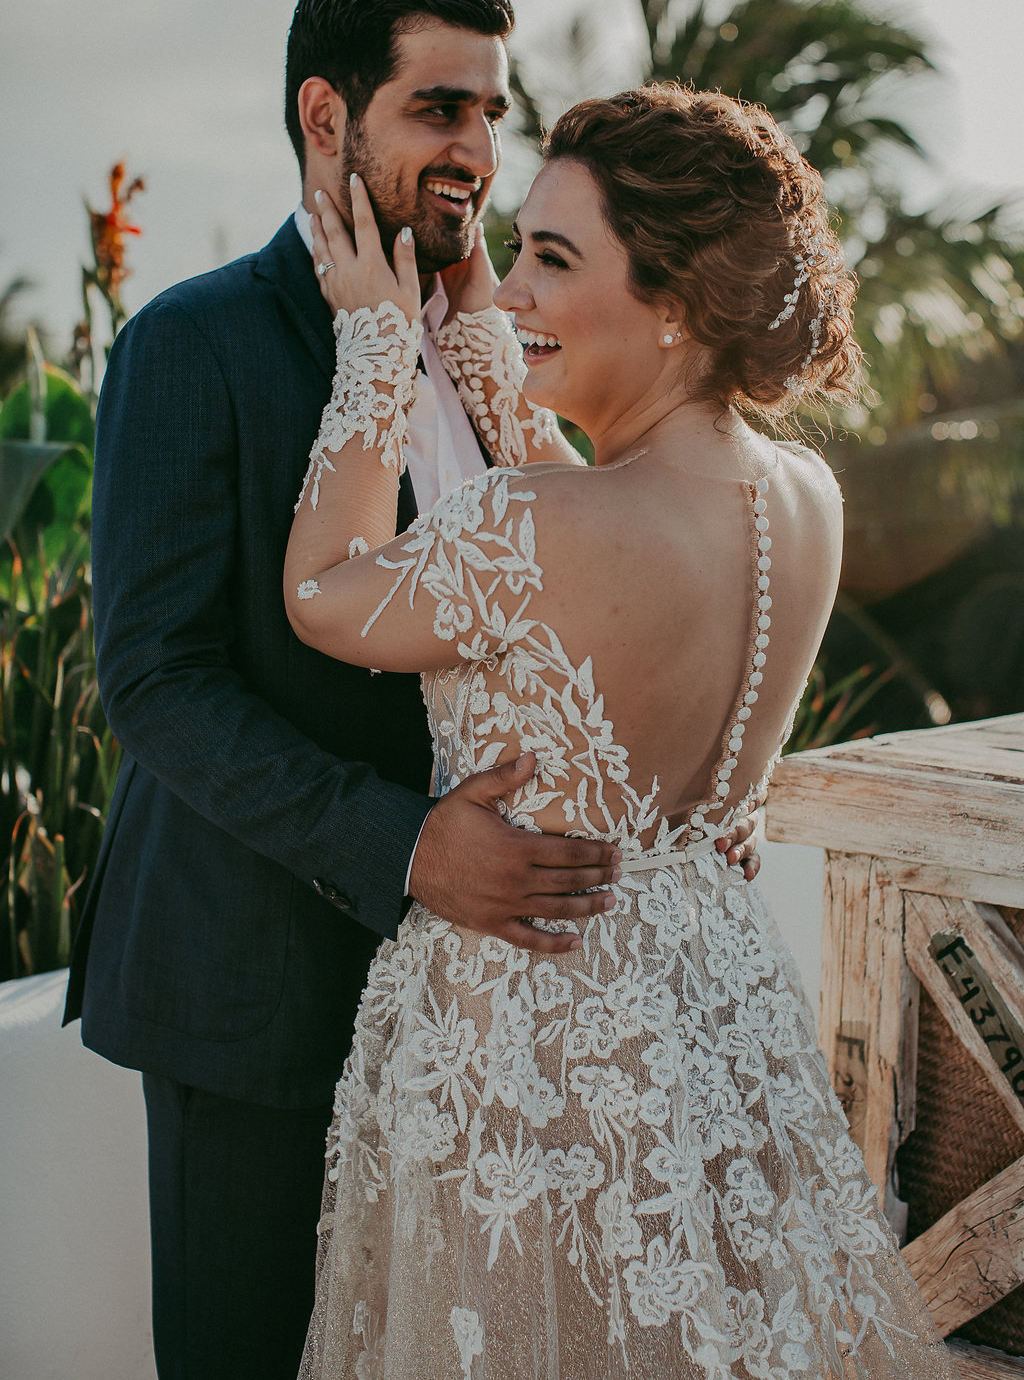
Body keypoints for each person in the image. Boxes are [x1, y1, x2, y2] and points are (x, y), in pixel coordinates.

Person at [62, 0, 760, 1380]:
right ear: (328, 119)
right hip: (255, 996)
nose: (477, 154)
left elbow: (590, 591)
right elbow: (158, 679)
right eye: (439, 109)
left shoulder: (513, 346)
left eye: (493, 114)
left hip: (487, 1027)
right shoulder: (191, 343)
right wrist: (403, 849)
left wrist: (673, 788)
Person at [283, 86, 959, 1378]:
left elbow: (323, 595)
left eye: (551, 258)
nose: (509, 289)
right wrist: (504, 360)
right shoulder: (802, 498)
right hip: (708, 1012)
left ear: (677, 307)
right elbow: (626, 527)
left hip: (529, 1029)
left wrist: (379, 346)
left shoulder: (536, 523)